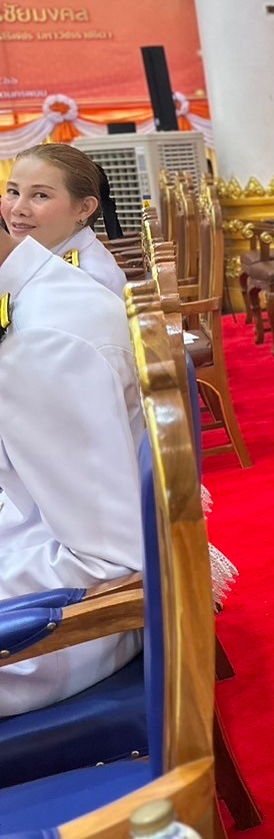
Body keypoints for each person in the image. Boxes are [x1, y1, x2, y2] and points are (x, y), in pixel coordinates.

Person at [0, 225, 145, 716]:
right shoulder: (41, 288)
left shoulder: (40, 338)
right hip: (49, 554)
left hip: (61, 634)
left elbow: (106, 560)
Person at [2, 142, 126, 295]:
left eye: (41, 195)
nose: (17, 209)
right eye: (13, 192)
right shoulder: (44, 254)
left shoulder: (82, 282)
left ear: (84, 208)